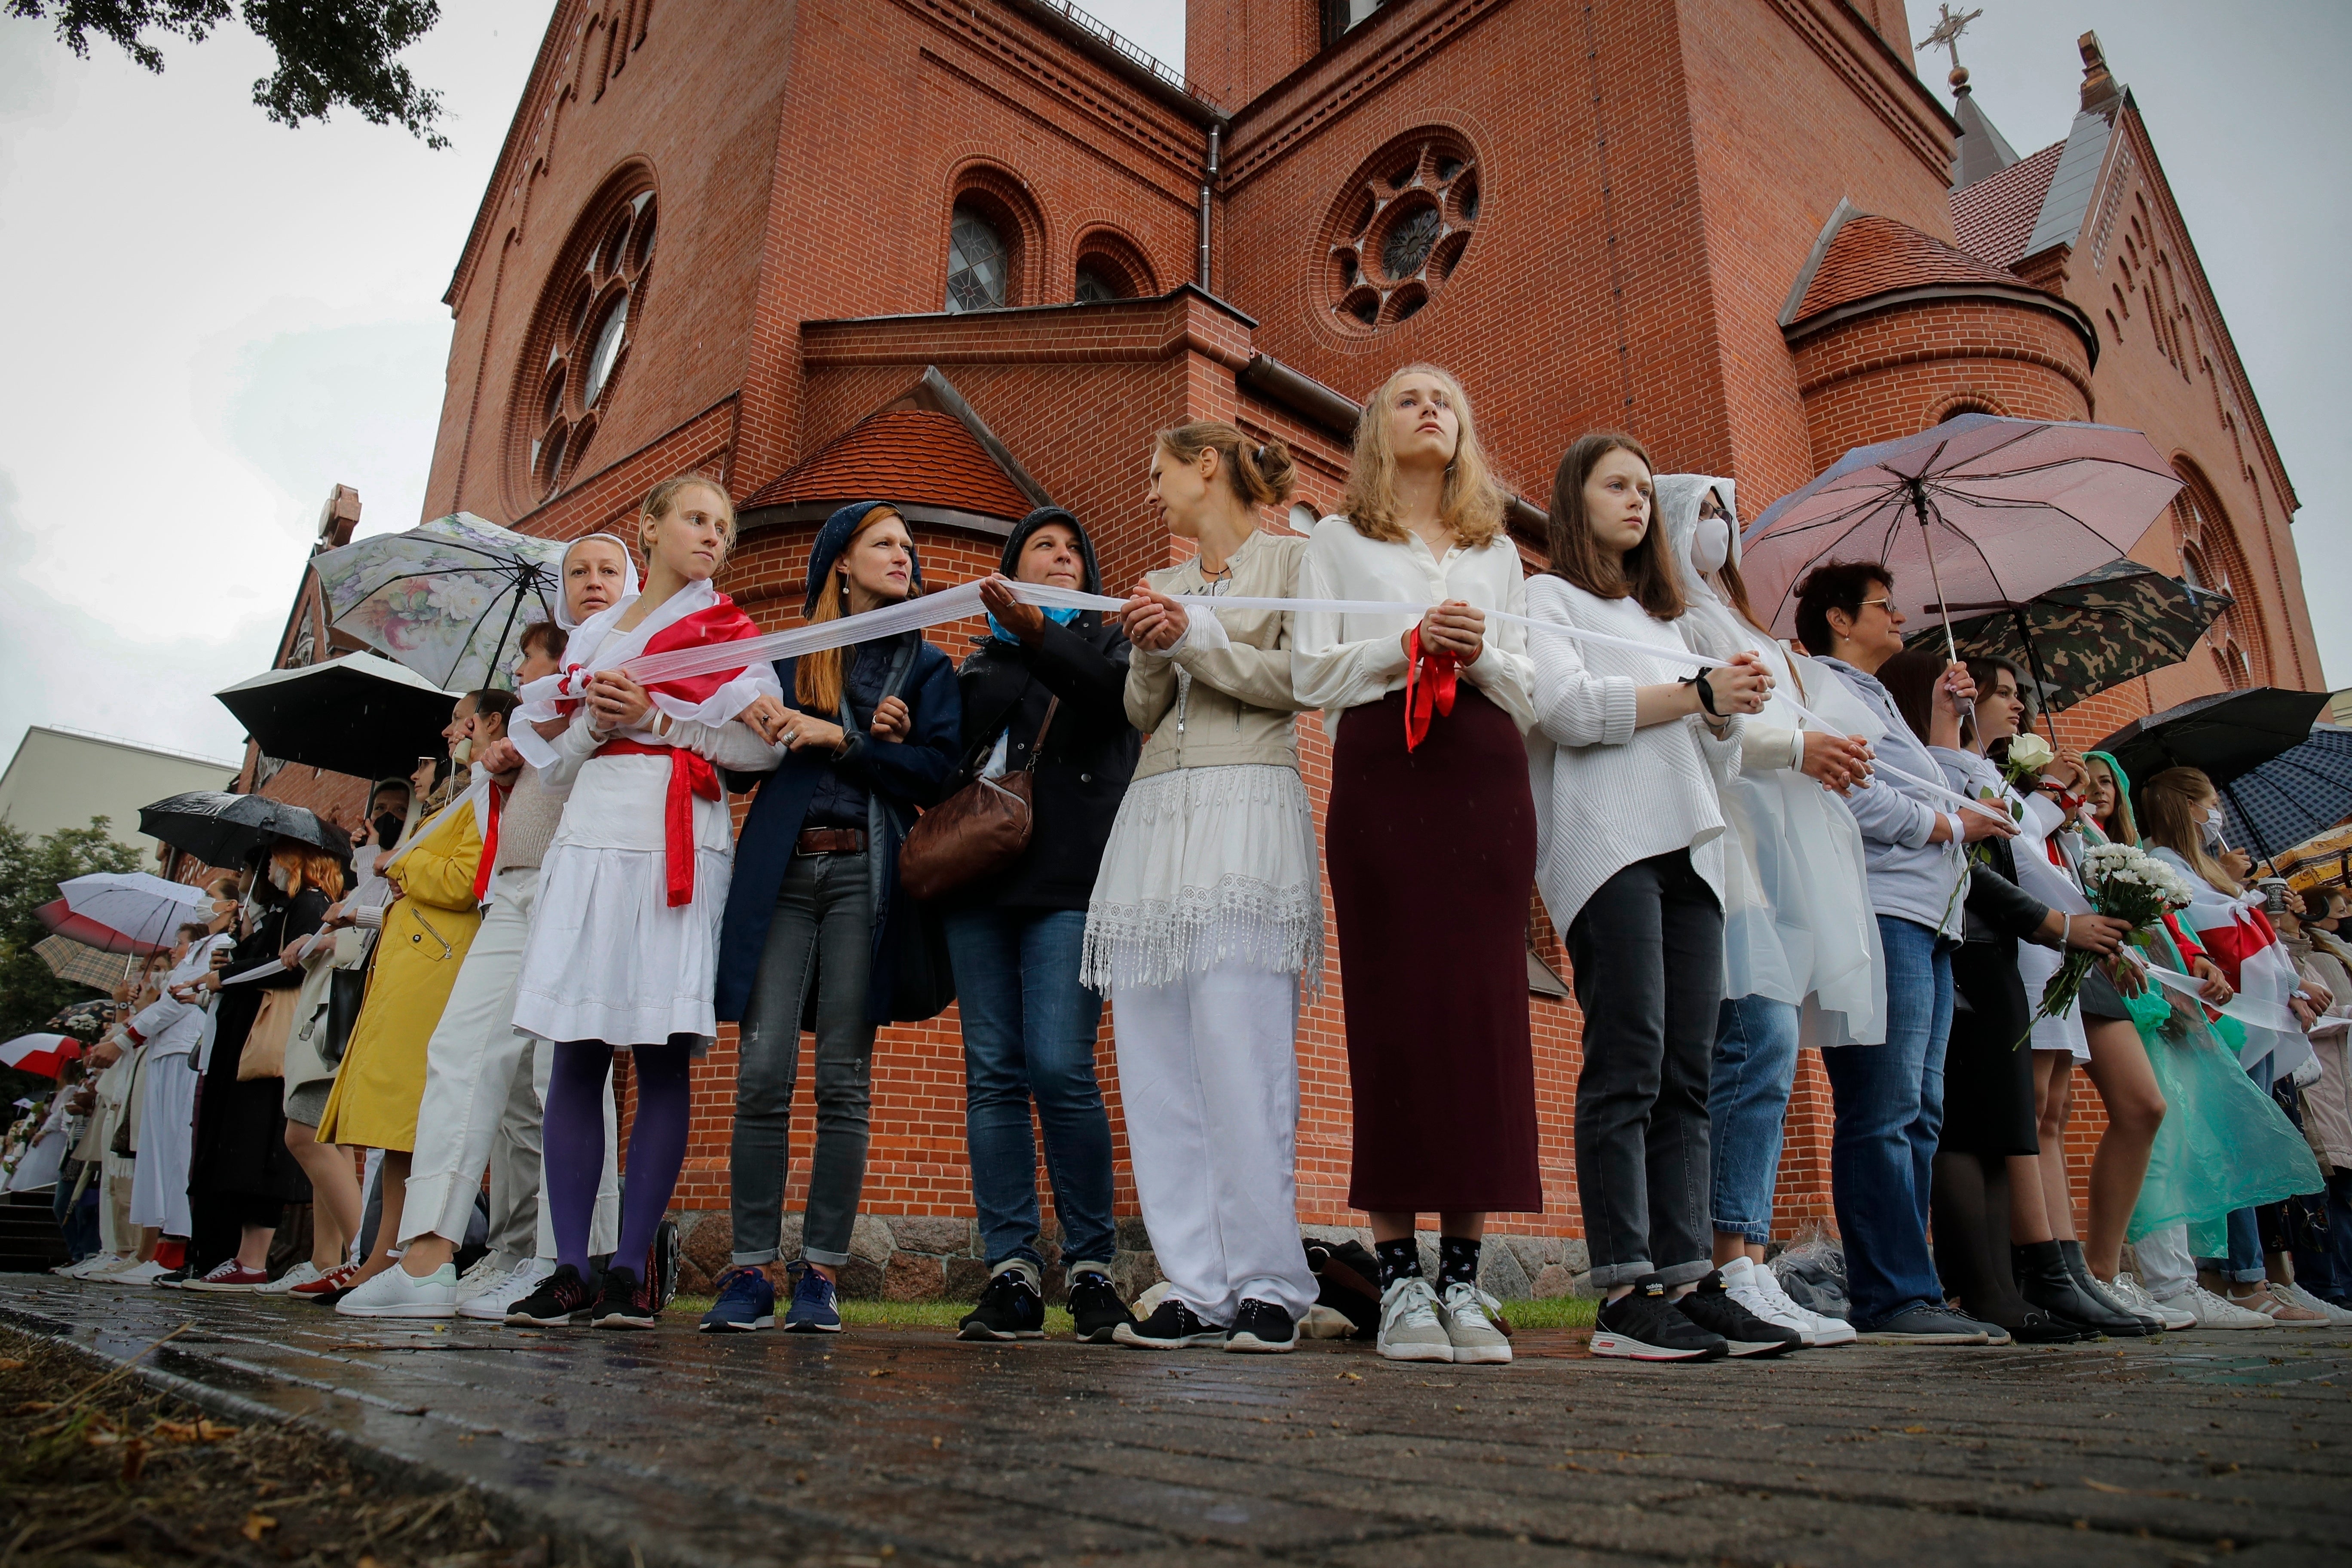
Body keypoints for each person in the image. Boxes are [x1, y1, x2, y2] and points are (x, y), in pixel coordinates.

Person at [1523, 434, 1793, 1363]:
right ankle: (1624, 1292)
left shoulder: (1668, 624)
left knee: (1688, 1070)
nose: (1638, 501)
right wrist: (1694, 693)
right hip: (1607, 849)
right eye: (1616, 485)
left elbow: (1707, 757)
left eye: (1645, 488)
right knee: (1628, 1058)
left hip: (1691, 851)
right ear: (1576, 499)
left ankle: (1687, 1282)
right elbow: (1564, 710)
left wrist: (1722, 708)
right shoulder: (1544, 598)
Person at [1293, 367, 1537, 1366]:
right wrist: (1406, 641)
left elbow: (1531, 685)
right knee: (1391, 1011)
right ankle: (1397, 1279)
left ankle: (1466, 1282)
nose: (1429, 407)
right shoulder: (1336, 542)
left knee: (1482, 1018)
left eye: (1446, 398)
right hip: (1382, 776)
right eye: (1407, 398)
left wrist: (1475, 654)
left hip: (1483, 778)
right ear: (1375, 432)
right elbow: (1309, 671)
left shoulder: (1500, 553)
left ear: (1465, 430)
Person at [506, 474, 784, 1331]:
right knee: (578, 1049)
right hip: (593, 833)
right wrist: (600, 720)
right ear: (651, 527)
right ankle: (569, 1269)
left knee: (660, 1047)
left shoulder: (729, 629)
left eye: (723, 527)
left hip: (677, 832)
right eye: (696, 519)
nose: (712, 536)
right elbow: (553, 764)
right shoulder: (591, 633)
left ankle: (631, 1271)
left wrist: (658, 719)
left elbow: (758, 752)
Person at [336, 542, 634, 1321]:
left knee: (560, 1077)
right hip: (515, 888)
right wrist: (497, 769)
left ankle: (570, 1261)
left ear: (631, 583)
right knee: (462, 1052)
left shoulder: (633, 659)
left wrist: (550, 738)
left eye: (608, 571)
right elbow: (515, 807)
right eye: (579, 573)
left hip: (583, 884)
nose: (592, 582)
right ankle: (429, 1256)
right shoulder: (541, 699)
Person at [702, 502, 959, 1335]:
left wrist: (854, 742)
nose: (904, 556)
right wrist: (751, 720)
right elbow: (743, 772)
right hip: (783, 873)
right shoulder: (789, 653)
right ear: (840, 565)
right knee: (762, 1072)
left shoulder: (926, 669)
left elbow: (940, 775)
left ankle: (820, 1273)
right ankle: (749, 1271)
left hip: (865, 876)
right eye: (884, 544)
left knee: (845, 1081)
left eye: (909, 547)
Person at [1093, 420, 1320, 1354]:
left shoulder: (1294, 563)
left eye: (1158, 473)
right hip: (1156, 816)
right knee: (1152, 1058)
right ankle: (1194, 1281)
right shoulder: (1166, 583)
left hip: (1247, 804)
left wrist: (1193, 640)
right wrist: (1153, 645)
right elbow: (1140, 711)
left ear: (1206, 465)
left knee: (1241, 1048)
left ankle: (1270, 1280)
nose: (1152, 491)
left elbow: (1300, 680)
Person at [1654, 474, 1878, 1349]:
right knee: (1754, 1043)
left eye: (1726, 512)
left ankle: (1744, 1256)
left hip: (1781, 859)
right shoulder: (1676, 618)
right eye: (1703, 512)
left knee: (1769, 1056)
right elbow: (1703, 720)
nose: (1719, 526)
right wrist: (1798, 742)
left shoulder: (1753, 628)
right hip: (1728, 848)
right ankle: (1727, 1262)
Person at [1795, 560, 2015, 1344]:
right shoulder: (1824, 687)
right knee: (1882, 1107)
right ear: (1838, 620)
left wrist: (1950, 721)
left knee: (1921, 1110)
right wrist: (1951, 829)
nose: (1901, 619)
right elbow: (1855, 790)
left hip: (1929, 919)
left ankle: (1910, 1283)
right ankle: (1891, 1292)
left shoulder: (1884, 694)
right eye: (1884, 607)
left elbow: (1956, 790)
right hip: (1881, 909)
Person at [1891, 653, 2141, 1341]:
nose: (1999, 702)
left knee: (2006, 1126)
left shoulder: (1976, 772)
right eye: (1981, 691)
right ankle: (1993, 1284)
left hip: (2003, 949)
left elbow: (2007, 852)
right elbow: (1973, 857)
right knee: (1973, 1124)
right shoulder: (1931, 763)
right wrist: (2055, 923)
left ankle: (2017, 1283)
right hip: (1972, 940)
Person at [941, 506, 1139, 1343]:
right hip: (980, 881)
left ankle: (1092, 1267)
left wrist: (1041, 637)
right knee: (993, 1074)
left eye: (1071, 549)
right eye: (1041, 549)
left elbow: (1113, 706)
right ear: (1012, 569)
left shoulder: (1111, 641)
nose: (1060, 557)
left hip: (1069, 878)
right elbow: (956, 752)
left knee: (1060, 1068)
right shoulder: (981, 657)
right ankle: (1012, 1271)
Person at [319, 692, 505, 1305]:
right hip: (411, 965)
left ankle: (397, 1256)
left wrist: (401, 868)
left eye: (458, 719)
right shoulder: (460, 800)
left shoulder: (486, 797)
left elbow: (463, 879)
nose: (449, 730)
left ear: (484, 724)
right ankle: (382, 1255)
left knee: (411, 1120)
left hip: (438, 967)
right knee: (397, 1124)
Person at [2133, 767, 2329, 1326]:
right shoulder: (2166, 866)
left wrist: (2293, 984)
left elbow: (2255, 937)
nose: (2216, 813)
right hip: (2225, 1017)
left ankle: (2264, 1276)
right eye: (2210, 802)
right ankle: (2239, 1276)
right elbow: (2194, 931)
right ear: (2189, 808)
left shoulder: (2209, 869)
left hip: (2257, 1013)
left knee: (2253, 1143)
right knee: (2235, 1145)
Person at [182, 842, 334, 1289]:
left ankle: (255, 1258)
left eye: (271, 860)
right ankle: (236, 1257)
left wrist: (229, 975)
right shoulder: (282, 908)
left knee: (267, 1145)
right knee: (244, 1144)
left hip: (273, 1041)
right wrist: (245, 943)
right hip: (249, 1038)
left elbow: (292, 965)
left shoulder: (310, 902)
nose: (266, 869)